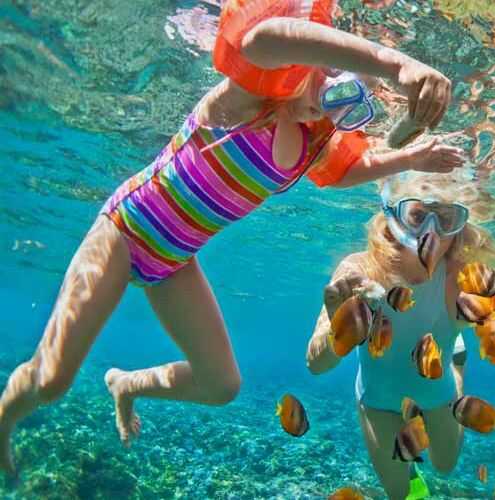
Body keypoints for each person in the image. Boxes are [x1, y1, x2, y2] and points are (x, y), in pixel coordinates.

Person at [0, 0, 466, 479]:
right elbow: (262, 39)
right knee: (52, 378)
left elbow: (351, 169)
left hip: (174, 261)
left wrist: (409, 157)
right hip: (125, 230)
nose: (326, 96)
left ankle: (126, 384)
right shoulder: (246, 99)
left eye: (344, 99)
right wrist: (396, 64)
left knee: (221, 384)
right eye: (327, 75)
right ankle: (2, 422)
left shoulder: (310, 142)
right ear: (312, 55)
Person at [305, 173, 495, 500]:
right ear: (393, 214)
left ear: (459, 228)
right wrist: (337, 326)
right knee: (401, 494)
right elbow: (315, 364)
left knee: (445, 465)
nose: (429, 231)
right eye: (416, 215)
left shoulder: (461, 275)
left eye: (445, 219)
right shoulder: (358, 270)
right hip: (377, 399)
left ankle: (456, 366)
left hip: (437, 389)